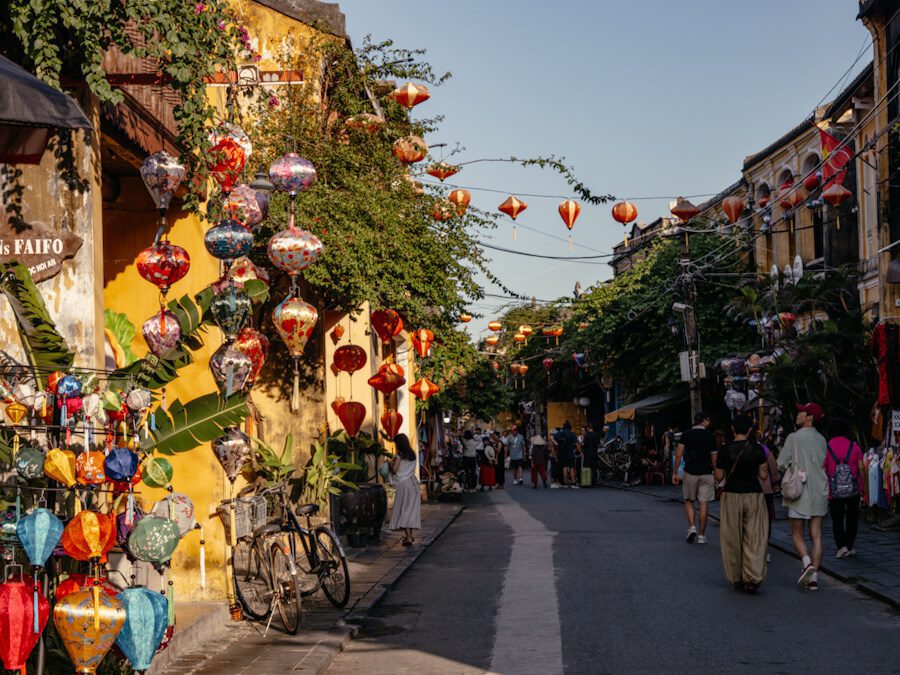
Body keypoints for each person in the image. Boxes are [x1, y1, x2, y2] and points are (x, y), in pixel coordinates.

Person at [715, 414, 769, 593]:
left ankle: (735, 577)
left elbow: (719, 476)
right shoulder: (757, 449)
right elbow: (763, 476)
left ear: (732, 429)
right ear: (750, 430)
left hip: (731, 495)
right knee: (754, 537)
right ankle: (752, 578)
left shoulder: (724, 449)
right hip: (754, 494)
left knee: (731, 537)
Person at [778, 403, 829, 591]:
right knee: (816, 536)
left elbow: (781, 463)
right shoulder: (822, 439)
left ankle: (807, 563)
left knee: (796, 534)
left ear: (809, 417)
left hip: (799, 492)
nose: (797, 414)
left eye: (801, 412)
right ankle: (814, 577)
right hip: (820, 491)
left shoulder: (793, 438)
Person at [672, 411, 717, 544]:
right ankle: (702, 536)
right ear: (703, 421)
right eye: (708, 420)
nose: (709, 422)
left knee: (688, 500)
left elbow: (679, 454)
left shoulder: (686, 434)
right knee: (703, 503)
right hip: (707, 473)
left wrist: (675, 472)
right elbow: (714, 459)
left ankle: (692, 527)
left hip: (690, 472)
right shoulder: (711, 436)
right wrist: (718, 474)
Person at [824, 417, 865, 558]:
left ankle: (841, 547)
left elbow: (824, 470)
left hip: (834, 490)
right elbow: (861, 467)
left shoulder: (827, 447)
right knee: (853, 518)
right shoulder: (854, 446)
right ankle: (849, 545)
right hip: (853, 490)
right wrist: (863, 485)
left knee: (837, 518)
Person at [389, 434, 421, 546]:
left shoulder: (399, 456)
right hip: (413, 484)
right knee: (411, 510)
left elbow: (395, 470)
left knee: (404, 510)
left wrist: (390, 464)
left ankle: (407, 537)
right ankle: (411, 534)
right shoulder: (413, 455)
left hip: (404, 485)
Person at [555, 421, 579, 488]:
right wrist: (580, 451)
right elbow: (577, 443)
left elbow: (555, 436)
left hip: (563, 453)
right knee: (571, 468)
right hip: (571, 453)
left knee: (564, 467)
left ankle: (565, 483)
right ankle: (573, 483)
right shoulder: (572, 434)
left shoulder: (561, 433)